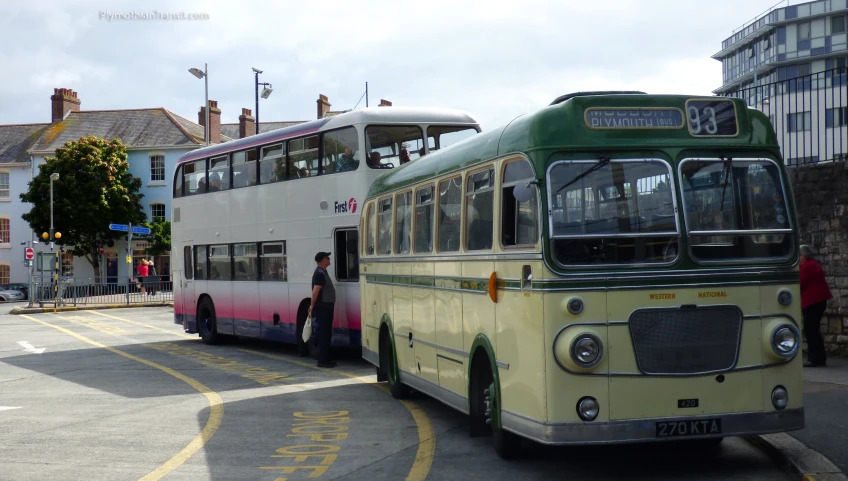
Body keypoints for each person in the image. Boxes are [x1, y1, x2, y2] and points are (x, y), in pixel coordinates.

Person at [800, 244, 832, 367]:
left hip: (813, 302)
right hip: (817, 301)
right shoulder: (812, 265)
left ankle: (815, 359)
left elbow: (801, 282)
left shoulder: (807, 267)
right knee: (813, 330)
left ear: (803, 256)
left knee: (810, 330)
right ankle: (819, 357)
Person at [309, 251, 337, 368]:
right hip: (323, 307)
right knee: (324, 334)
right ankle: (322, 360)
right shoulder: (320, 274)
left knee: (326, 333)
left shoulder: (322, 272)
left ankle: (325, 359)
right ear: (323, 260)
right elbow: (315, 292)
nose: (329, 259)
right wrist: (311, 306)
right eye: (327, 258)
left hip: (326, 307)